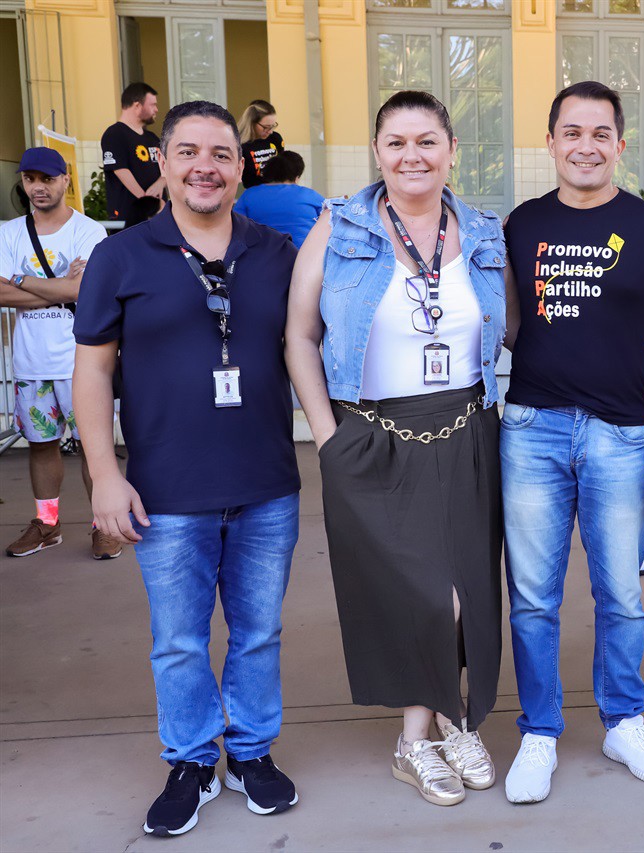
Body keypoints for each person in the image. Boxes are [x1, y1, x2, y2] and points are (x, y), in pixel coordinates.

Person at [74, 100, 303, 837]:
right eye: (188, 152)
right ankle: (192, 759)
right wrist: (105, 474)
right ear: (163, 164)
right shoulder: (123, 256)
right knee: (178, 637)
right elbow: (92, 371)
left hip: (267, 483)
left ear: (241, 167)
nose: (206, 165)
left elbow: (311, 347)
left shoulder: (276, 252)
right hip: (166, 491)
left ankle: (251, 751)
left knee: (259, 631)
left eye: (222, 153)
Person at [285, 90, 506, 809]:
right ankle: (433, 724)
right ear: (377, 152)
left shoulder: (481, 231)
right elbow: (299, 335)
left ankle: (438, 723)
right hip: (374, 437)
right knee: (424, 592)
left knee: (468, 589)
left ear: (449, 150)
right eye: (396, 142)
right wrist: (327, 436)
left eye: (427, 141)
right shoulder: (339, 223)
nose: (412, 156)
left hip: (468, 430)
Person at [499, 81, 644, 804]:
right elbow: (510, 326)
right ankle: (540, 731)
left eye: (600, 134)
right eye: (571, 132)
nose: (585, 146)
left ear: (620, 145)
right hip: (532, 429)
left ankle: (624, 721)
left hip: (621, 435)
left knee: (621, 593)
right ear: (551, 142)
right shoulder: (520, 225)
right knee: (532, 596)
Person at [0, 148, 115, 559]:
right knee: (40, 445)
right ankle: (47, 525)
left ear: (65, 180)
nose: (38, 187)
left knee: (93, 446)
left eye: (47, 179)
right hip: (32, 362)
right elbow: (0, 293)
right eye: (30, 179)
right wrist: (52, 285)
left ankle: (105, 525)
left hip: (82, 362)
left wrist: (19, 281)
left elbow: (83, 291)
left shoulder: (88, 232)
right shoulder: (9, 232)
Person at [101, 82, 163, 227]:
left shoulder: (152, 138)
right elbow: (121, 170)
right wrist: (146, 201)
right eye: (152, 104)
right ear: (137, 106)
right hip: (129, 219)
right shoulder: (114, 134)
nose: (156, 109)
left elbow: (168, 167)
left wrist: (161, 183)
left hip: (156, 216)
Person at [233, 151, 324, 246]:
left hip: (262, 255)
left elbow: (235, 226)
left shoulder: (249, 195)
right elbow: (332, 222)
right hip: (304, 256)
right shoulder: (309, 195)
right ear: (296, 177)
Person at [238, 100, 285, 188]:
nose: (270, 131)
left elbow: (282, 168)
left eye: (273, 126)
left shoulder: (275, 139)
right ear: (252, 123)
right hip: (254, 195)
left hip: (277, 192)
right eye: (266, 127)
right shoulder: (241, 146)